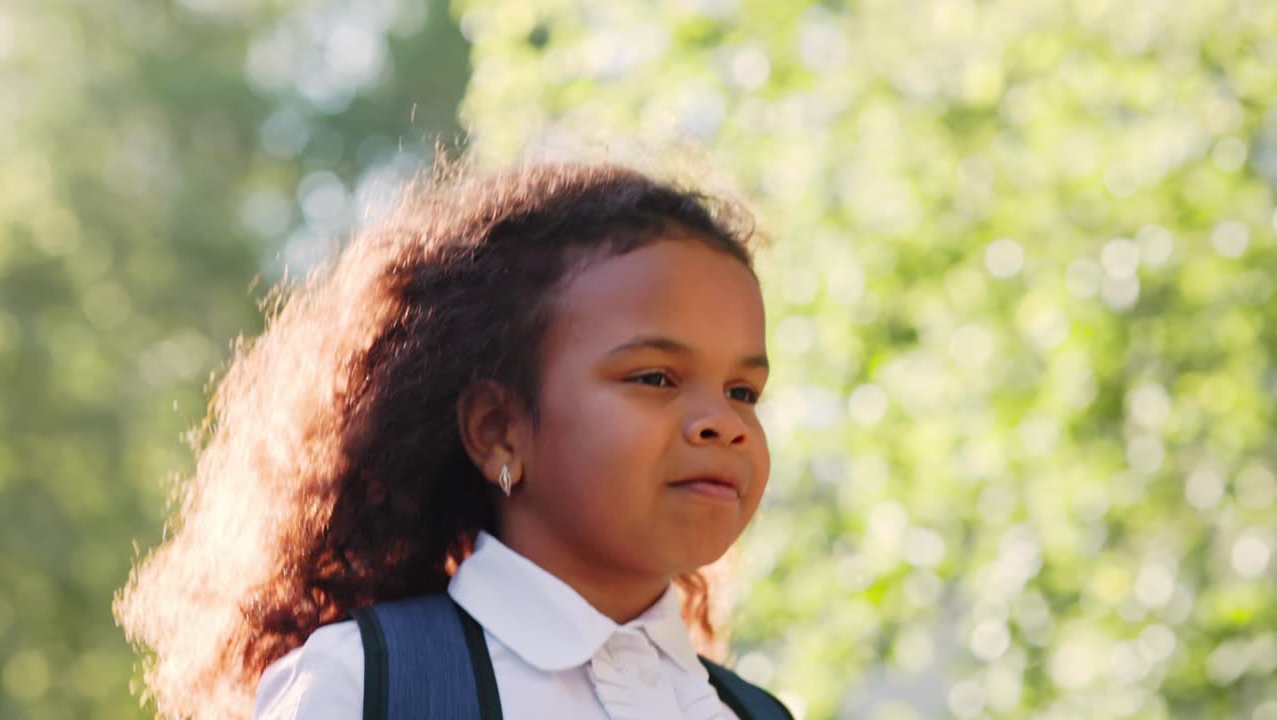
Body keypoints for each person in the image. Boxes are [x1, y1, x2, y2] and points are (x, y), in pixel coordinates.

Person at [115, 160, 792, 719]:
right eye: (655, 377)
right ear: (498, 432)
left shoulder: (750, 712)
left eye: (743, 392)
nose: (722, 422)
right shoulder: (365, 688)